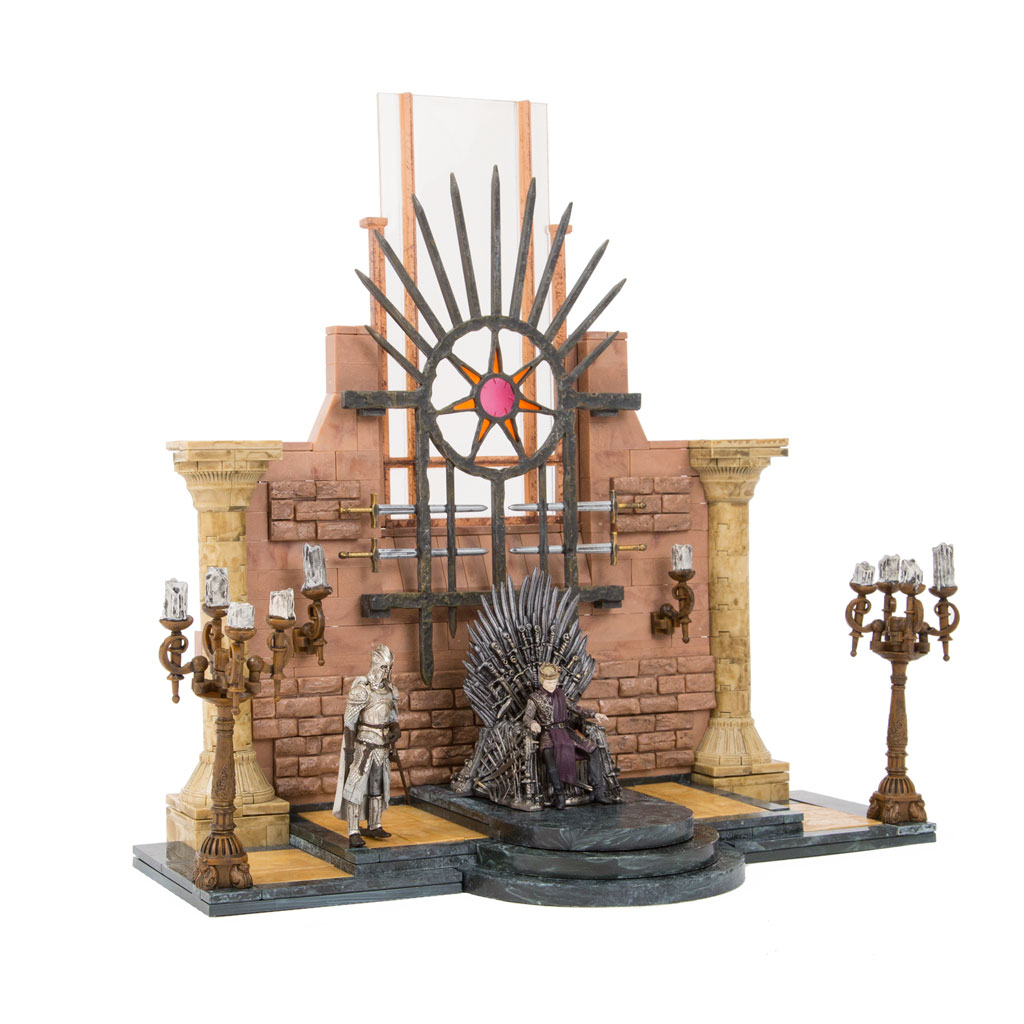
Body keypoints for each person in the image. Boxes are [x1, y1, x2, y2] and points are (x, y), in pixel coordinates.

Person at [331, 644, 400, 847]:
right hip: (364, 745)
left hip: (382, 746)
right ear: (375, 665)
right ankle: (353, 830)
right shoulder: (362, 691)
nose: (386, 672)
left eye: (389, 667)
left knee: (377, 785)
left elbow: (392, 718)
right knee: (356, 786)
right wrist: (349, 750)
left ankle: (374, 824)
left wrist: (396, 730)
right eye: (383, 667)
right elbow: (349, 722)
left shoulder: (390, 691)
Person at [522, 662, 614, 809]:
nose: (551, 685)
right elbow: (527, 717)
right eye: (548, 682)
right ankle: (560, 795)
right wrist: (533, 724)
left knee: (593, 749)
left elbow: (576, 708)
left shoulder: (561, 694)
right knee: (548, 753)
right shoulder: (534, 698)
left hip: (565, 731)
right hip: (548, 733)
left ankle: (598, 791)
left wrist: (594, 714)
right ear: (542, 681)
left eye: (554, 682)